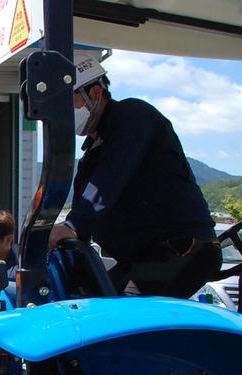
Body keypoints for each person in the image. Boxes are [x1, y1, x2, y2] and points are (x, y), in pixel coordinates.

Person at [48, 56, 222, 298]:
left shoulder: (133, 116)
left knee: (121, 320)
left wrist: (75, 225)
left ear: (95, 92)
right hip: (140, 258)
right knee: (93, 306)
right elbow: (82, 202)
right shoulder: (92, 150)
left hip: (179, 249)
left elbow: (112, 175)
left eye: (69, 101)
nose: (64, 112)